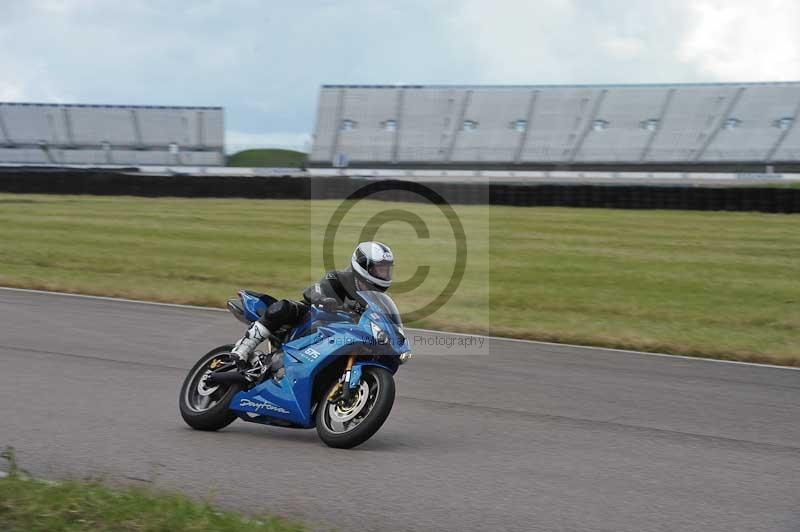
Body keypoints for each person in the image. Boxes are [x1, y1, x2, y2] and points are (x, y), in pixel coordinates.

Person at [231, 241, 394, 362]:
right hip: (312, 319)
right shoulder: (339, 277)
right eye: (380, 269)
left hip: (342, 337)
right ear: (364, 266)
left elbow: (381, 320)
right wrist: (323, 299)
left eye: (387, 269)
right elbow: (313, 290)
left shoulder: (375, 298)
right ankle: (244, 347)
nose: (384, 274)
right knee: (284, 307)